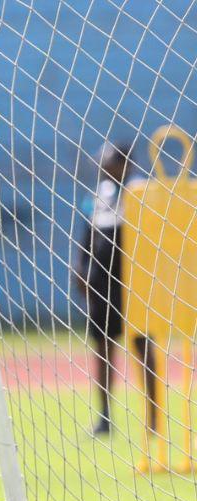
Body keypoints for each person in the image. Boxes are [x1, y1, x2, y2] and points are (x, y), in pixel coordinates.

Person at [73, 143, 157, 437]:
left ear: (124, 164)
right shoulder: (99, 194)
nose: (101, 165)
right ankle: (105, 417)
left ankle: (153, 420)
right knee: (103, 348)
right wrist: (81, 267)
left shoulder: (141, 193)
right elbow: (89, 233)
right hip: (101, 283)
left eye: (108, 160)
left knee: (143, 347)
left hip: (132, 283)